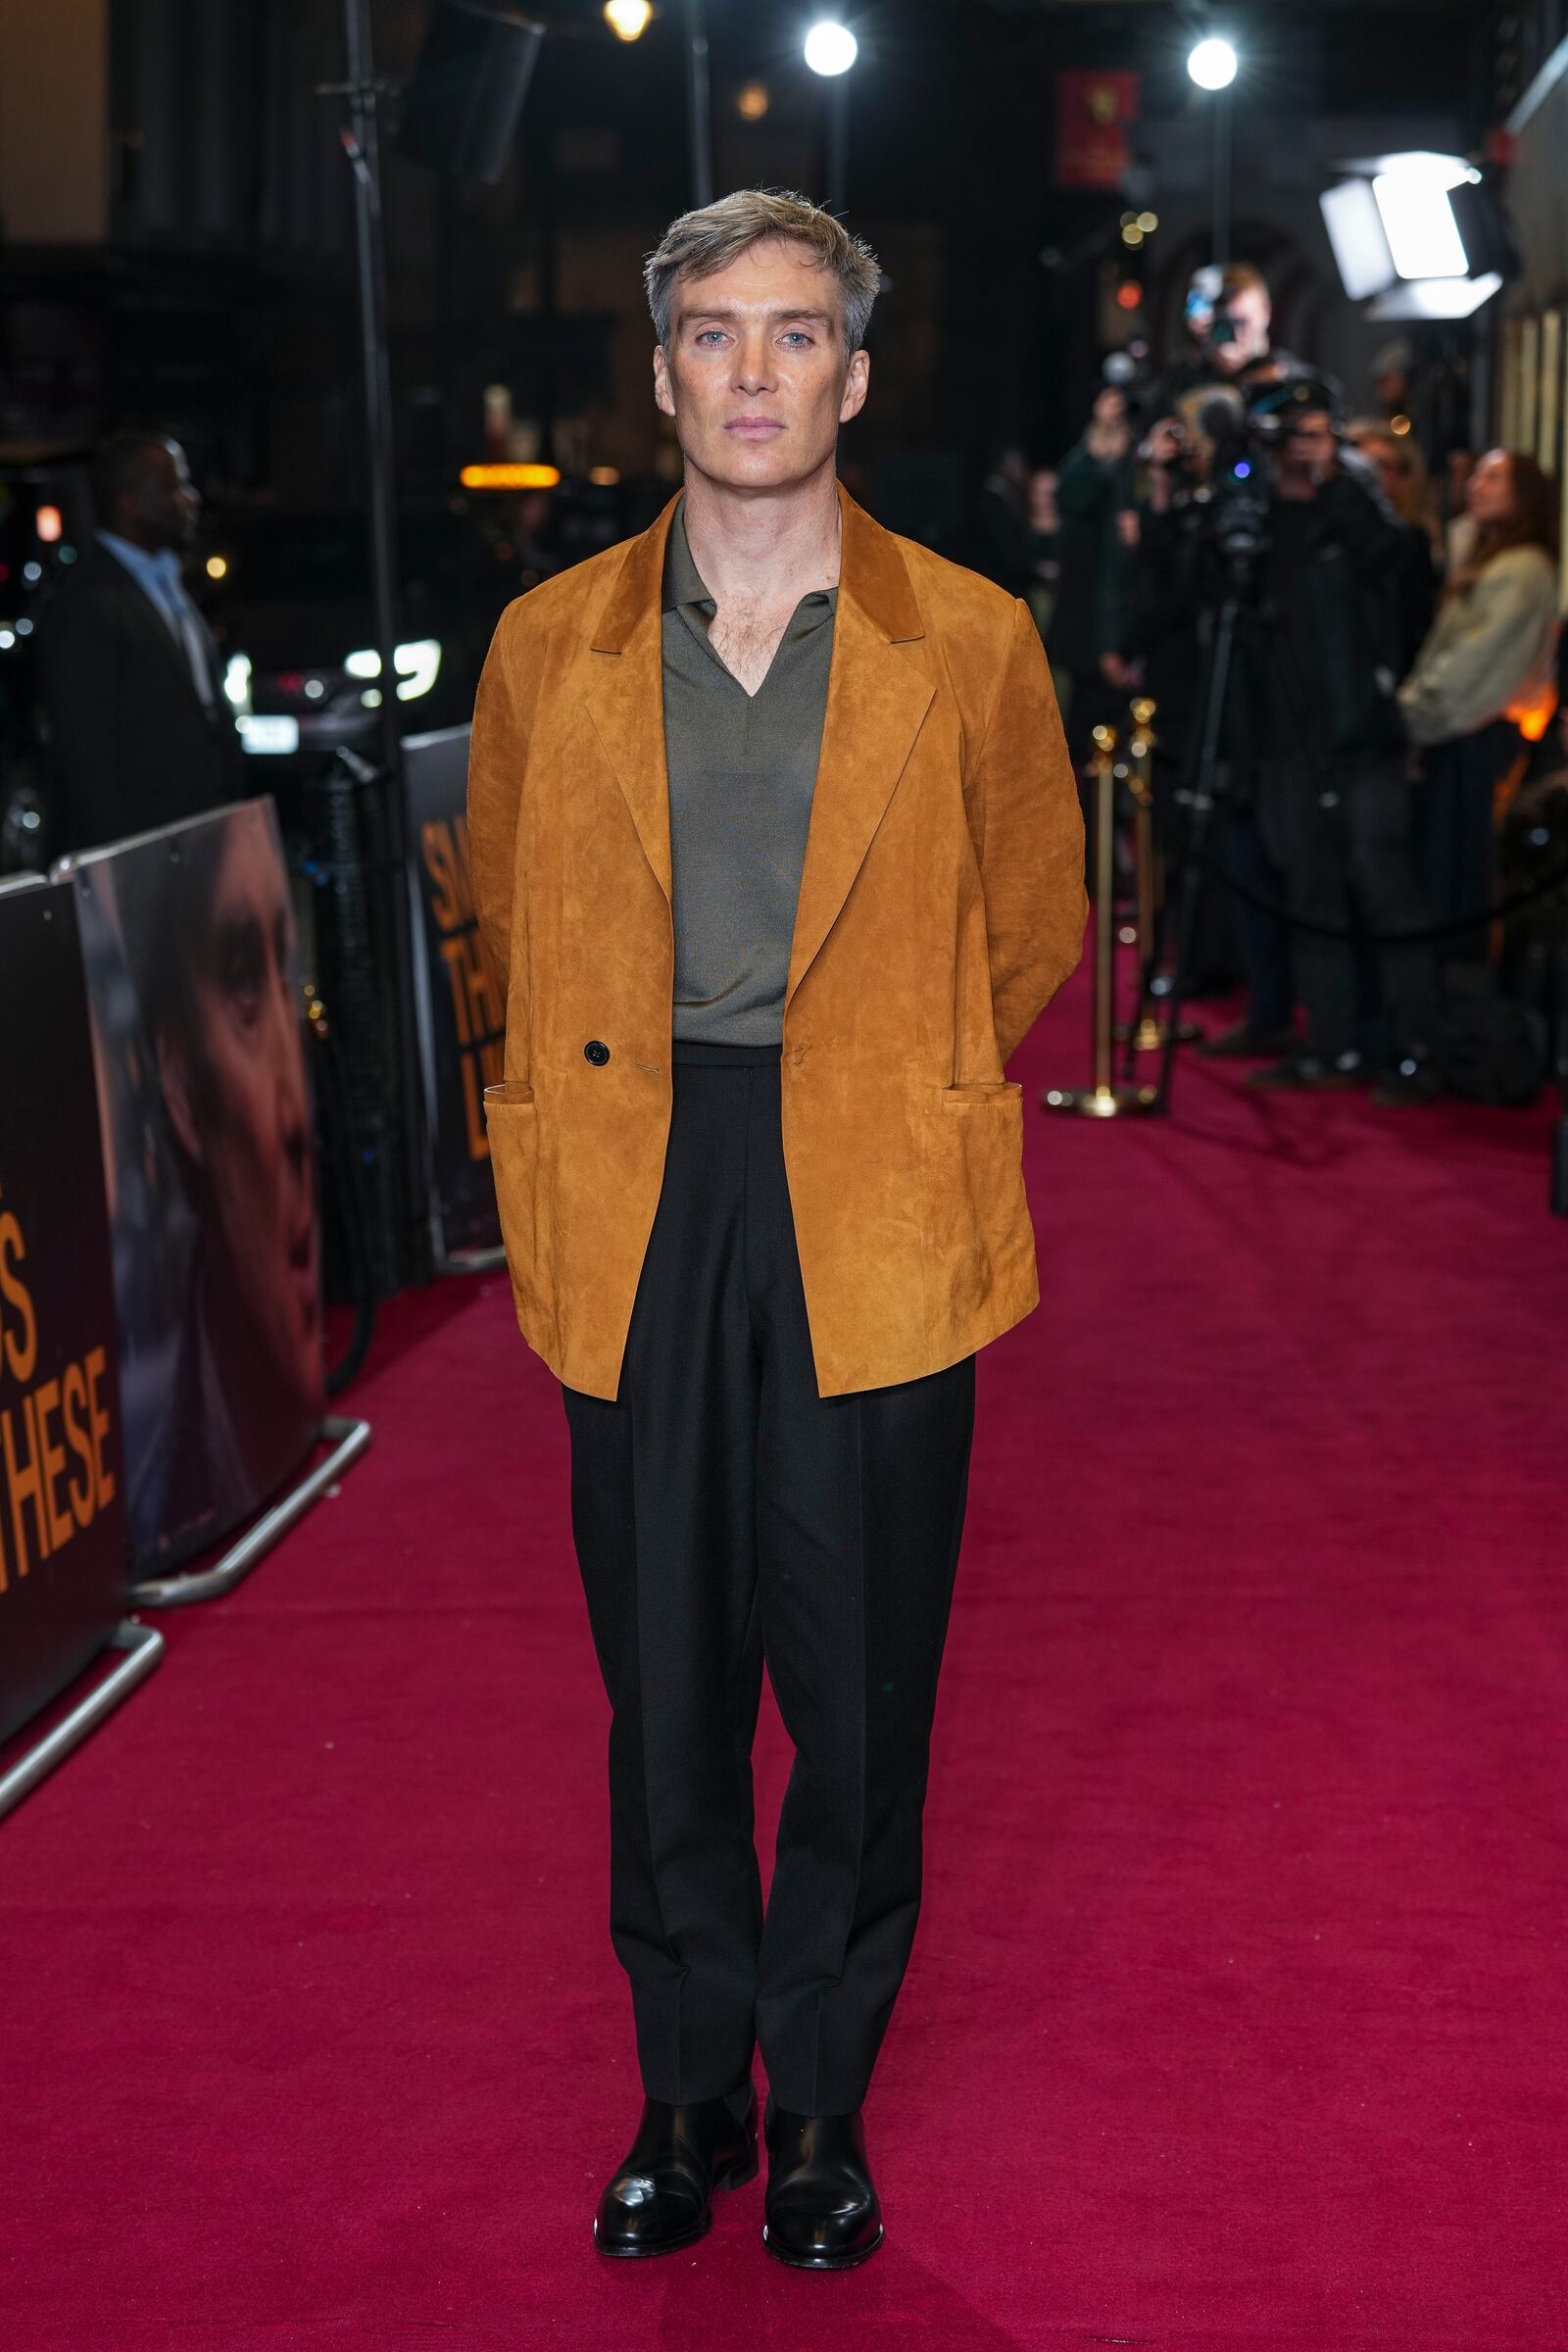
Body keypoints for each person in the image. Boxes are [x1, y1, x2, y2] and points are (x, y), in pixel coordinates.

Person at [466, 188, 1086, 2271]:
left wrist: (888, 1077)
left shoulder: (970, 639)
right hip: (636, 1186)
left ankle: (815, 2101)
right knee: (662, 1683)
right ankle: (683, 2089)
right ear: (657, 376)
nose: (752, 372)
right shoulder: (546, 643)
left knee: (858, 1686)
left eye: (793, 334)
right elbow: (496, 904)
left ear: (853, 368)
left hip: (873, 1197)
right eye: (712, 335)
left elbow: (1030, 918)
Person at [117, 805, 322, 1557]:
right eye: (240, 980)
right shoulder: (154, 1493)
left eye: (286, 965)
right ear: (176, 1078)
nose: (296, 1116)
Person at [1234, 394, 1442, 1098]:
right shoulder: (1257, 517)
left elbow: (1396, 568)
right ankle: (1329, 1045)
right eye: (1289, 435)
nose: (1300, 447)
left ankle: (1414, 1047)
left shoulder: (1361, 513)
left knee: (1386, 891)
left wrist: (1336, 481)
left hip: (1364, 737)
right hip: (1284, 740)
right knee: (1311, 893)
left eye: (1315, 435)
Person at [37, 430, 243, 856]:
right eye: (173, 487)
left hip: (200, 837)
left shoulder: (168, 582)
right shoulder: (88, 601)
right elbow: (86, 756)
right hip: (148, 853)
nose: (191, 499)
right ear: (128, 501)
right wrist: (124, 864)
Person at [1398, 448, 1561, 963]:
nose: (1477, 487)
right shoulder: (1491, 555)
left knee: (1458, 870)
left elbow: (1472, 663)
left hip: (1475, 729)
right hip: (1460, 725)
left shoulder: (1522, 569)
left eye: (1495, 479)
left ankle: (1458, 991)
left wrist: (1411, 715)